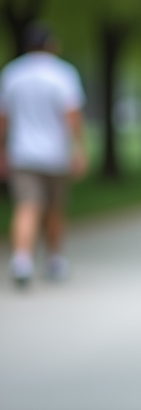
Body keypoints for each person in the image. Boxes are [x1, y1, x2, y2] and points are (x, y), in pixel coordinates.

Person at [0, 24, 88, 287]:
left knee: (26, 206)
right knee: (54, 209)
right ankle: (54, 260)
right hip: (55, 154)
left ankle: (22, 260)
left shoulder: (12, 73)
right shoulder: (63, 73)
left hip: (21, 153)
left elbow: (3, 117)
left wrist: (1, 149)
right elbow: (72, 115)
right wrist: (79, 148)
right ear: (51, 44)